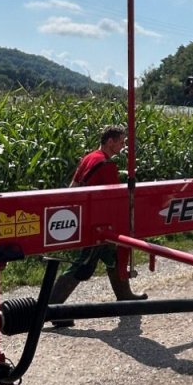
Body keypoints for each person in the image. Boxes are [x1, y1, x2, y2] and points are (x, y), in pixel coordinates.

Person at [48, 125, 143, 312]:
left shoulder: (89, 158)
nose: (123, 147)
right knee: (84, 264)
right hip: (99, 222)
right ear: (110, 142)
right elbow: (114, 198)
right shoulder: (106, 165)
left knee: (113, 256)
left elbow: (73, 186)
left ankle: (124, 295)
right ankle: (49, 306)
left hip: (86, 215)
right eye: (121, 142)